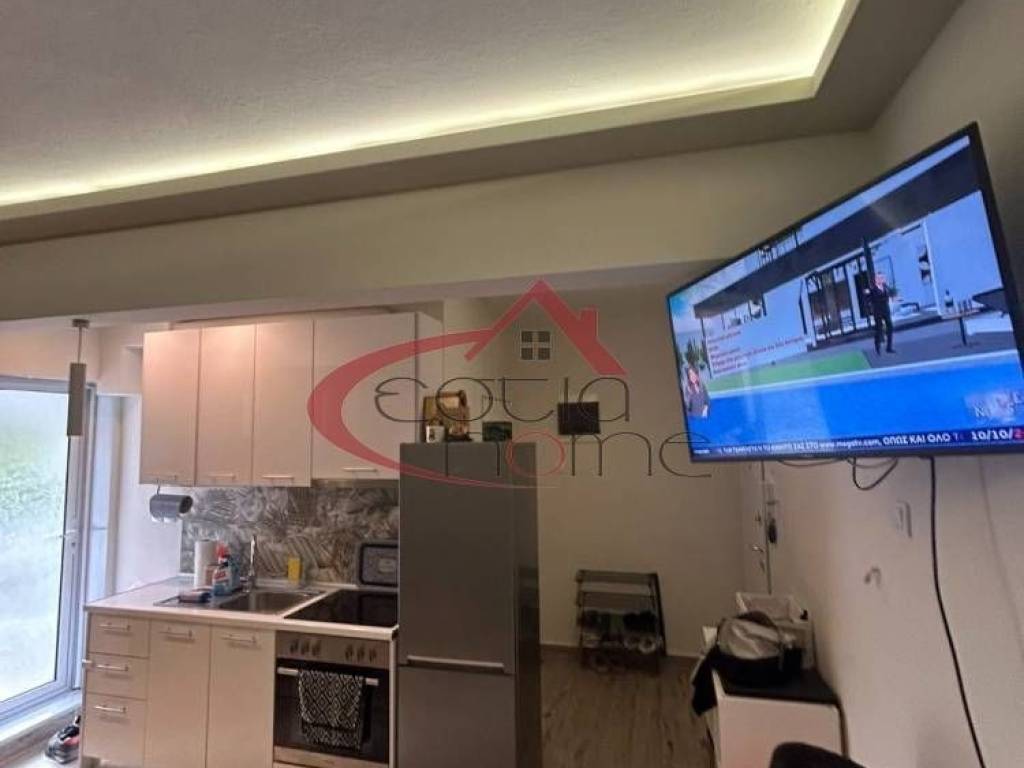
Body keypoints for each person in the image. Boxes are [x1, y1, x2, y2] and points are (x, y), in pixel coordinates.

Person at [864, 271, 895, 355]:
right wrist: (867, 296)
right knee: (879, 329)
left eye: (881, 278)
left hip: (886, 311)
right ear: (876, 280)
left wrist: (893, 296)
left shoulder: (886, 287)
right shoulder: (873, 289)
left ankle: (889, 347)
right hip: (878, 312)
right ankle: (877, 347)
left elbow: (891, 294)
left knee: (890, 327)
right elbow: (868, 299)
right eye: (878, 278)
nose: (880, 279)